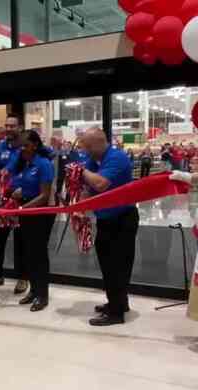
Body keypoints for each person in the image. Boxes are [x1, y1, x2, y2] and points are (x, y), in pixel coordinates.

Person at [79, 127, 139, 326]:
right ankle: (118, 303)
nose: (84, 150)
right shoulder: (94, 160)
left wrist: (80, 171)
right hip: (105, 219)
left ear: (98, 143)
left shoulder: (117, 158)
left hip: (122, 218)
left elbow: (101, 184)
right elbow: (88, 189)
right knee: (107, 264)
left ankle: (116, 314)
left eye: (87, 146)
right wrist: (78, 205)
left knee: (118, 265)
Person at [7, 130, 56, 312]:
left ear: (35, 145)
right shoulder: (26, 164)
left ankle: (42, 295)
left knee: (39, 255)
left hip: (40, 213)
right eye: (20, 146)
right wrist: (18, 194)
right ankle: (34, 291)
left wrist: (20, 210)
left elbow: (44, 196)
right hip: (26, 212)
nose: (22, 149)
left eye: (25, 145)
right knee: (29, 254)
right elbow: (24, 186)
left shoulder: (43, 164)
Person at [0, 114, 29, 294]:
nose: (8, 129)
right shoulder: (0, 146)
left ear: (19, 128)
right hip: (4, 199)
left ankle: (23, 277)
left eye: (12, 126)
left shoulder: (27, 145)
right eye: (6, 125)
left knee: (22, 240)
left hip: (22, 198)